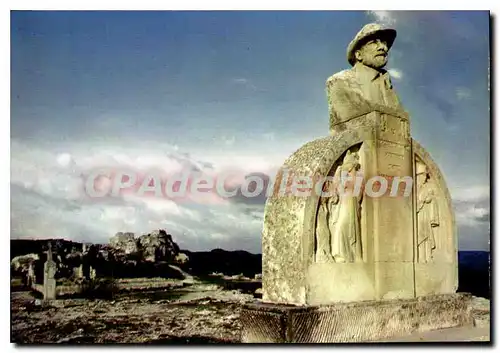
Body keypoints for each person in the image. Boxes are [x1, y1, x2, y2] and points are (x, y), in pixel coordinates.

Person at [326, 23, 405, 133]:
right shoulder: (339, 81)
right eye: (373, 42)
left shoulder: (388, 87)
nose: (383, 47)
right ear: (358, 55)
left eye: (384, 43)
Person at [416, 163, 439, 263]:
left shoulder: (425, 188)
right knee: (421, 237)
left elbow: (431, 200)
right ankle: (421, 257)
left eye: (425, 176)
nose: (425, 178)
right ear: (419, 176)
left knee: (428, 236)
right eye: (423, 175)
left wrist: (430, 198)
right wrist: (423, 200)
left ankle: (428, 257)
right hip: (419, 215)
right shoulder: (415, 188)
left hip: (425, 214)